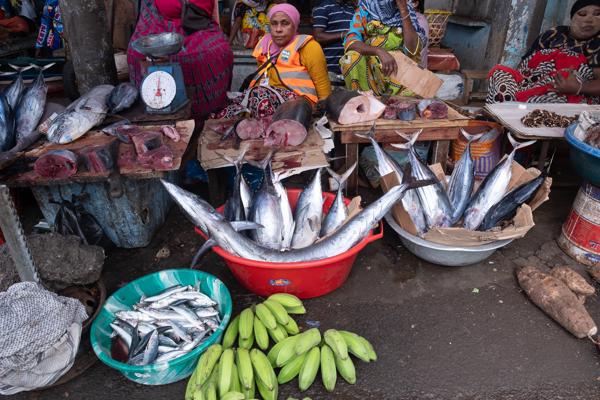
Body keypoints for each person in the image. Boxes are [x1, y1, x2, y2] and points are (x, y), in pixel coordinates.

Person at [213, 3, 331, 119]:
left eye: (285, 23)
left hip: (299, 106)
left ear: (295, 25)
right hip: (266, 102)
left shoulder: (309, 47)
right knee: (222, 109)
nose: (278, 29)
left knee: (259, 96)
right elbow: (263, 78)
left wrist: (322, 114)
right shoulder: (265, 44)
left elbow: (323, 87)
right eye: (274, 24)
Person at [127, 0, 233, 120]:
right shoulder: (150, 11)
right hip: (158, 28)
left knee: (216, 51)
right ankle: (151, 107)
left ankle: (206, 116)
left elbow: (207, 10)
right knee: (135, 52)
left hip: (195, 28)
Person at [487, 0, 600, 104]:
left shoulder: (597, 43)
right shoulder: (553, 34)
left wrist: (578, 87)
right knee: (501, 74)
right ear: (572, 17)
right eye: (582, 14)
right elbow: (525, 65)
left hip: (564, 93)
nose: (589, 20)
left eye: (597, 14)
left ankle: (518, 114)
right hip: (530, 84)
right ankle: (502, 113)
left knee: (561, 78)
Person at [339, 0, 427, 96]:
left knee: (414, 100)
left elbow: (413, 50)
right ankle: (364, 103)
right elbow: (351, 42)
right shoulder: (365, 10)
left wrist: (403, 9)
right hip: (372, 75)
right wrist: (378, 51)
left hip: (400, 73)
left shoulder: (408, 11)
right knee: (350, 58)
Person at [312, 0, 356, 75]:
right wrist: (343, 34)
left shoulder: (351, 9)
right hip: (331, 69)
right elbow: (318, 36)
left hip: (351, 67)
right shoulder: (323, 8)